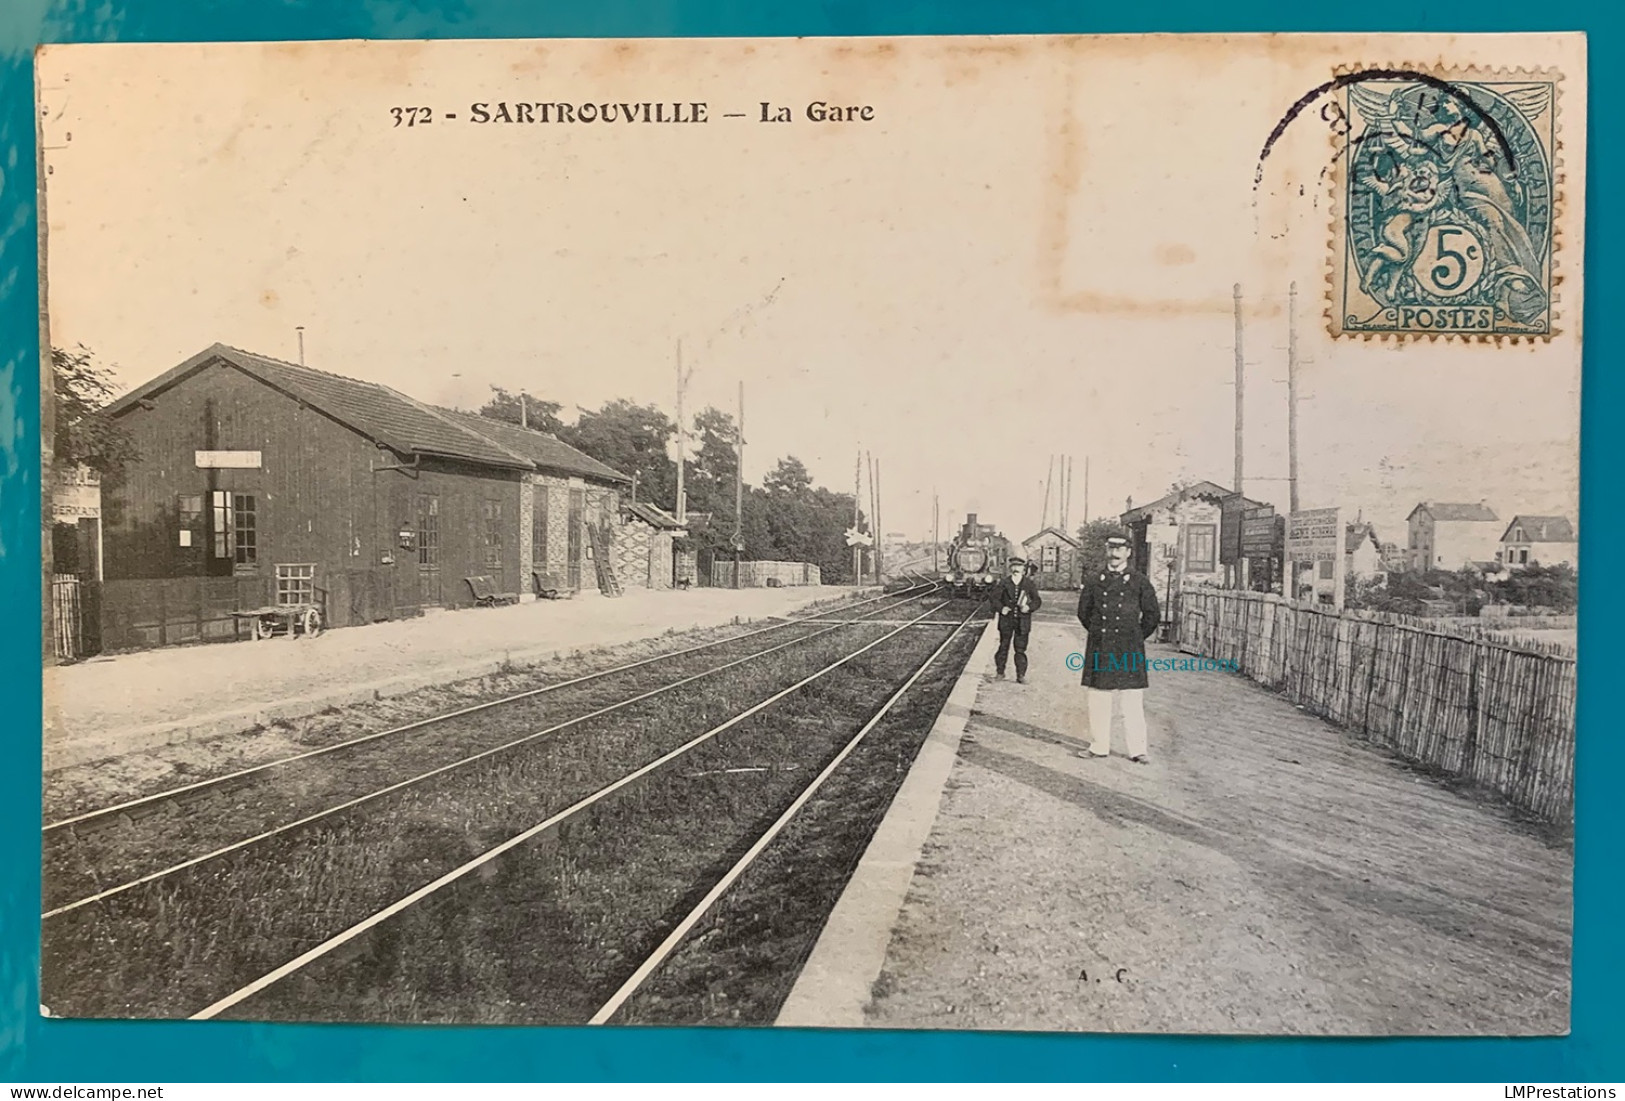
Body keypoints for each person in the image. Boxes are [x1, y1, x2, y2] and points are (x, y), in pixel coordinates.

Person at [1075, 535, 1160, 763]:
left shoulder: (1139, 581)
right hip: (1101, 646)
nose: (1114, 553)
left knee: (1132, 700)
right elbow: (1084, 613)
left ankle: (1138, 750)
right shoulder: (1094, 580)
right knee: (1098, 699)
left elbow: (1152, 615)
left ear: (1128, 552)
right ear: (1106, 550)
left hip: (1129, 648)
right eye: (1111, 548)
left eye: (1120, 549)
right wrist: (1098, 633)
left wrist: (1134, 636)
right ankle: (1098, 746)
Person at [990, 556, 1042, 683]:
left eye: (1019, 566)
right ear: (1010, 568)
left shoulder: (1029, 584)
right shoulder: (1004, 582)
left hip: (1022, 622)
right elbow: (994, 599)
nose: (1016, 569)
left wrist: (1028, 607)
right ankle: (1000, 673)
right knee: (1003, 647)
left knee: (1020, 650)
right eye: (1014, 566)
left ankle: (1021, 675)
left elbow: (1037, 601)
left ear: (1023, 569)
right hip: (1006, 621)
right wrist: (1001, 609)